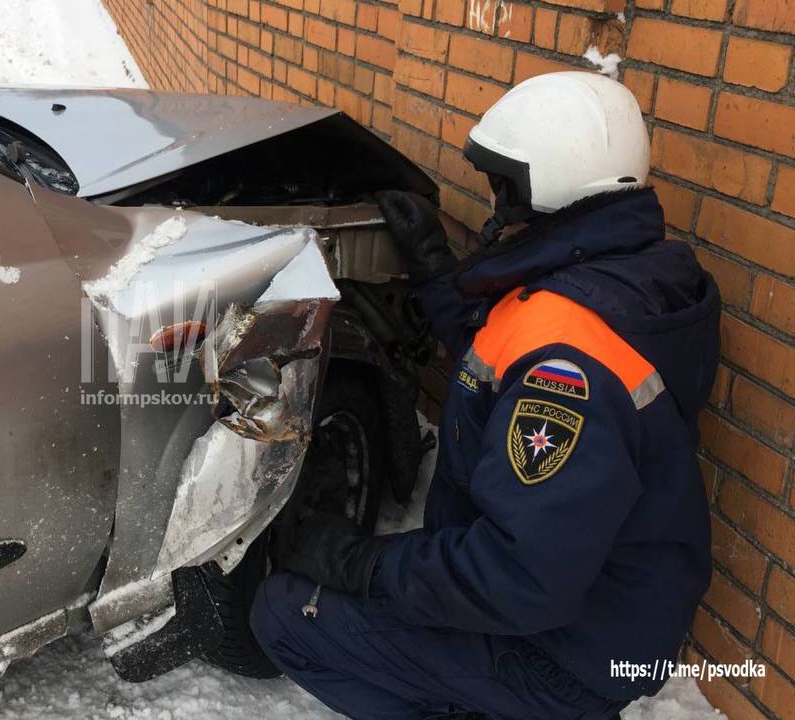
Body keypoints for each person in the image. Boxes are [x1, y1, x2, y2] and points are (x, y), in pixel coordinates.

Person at [250, 71, 720, 720]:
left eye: (504, 184)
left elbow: (519, 579)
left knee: (283, 615)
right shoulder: (615, 278)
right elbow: (504, 343)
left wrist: (361, 562)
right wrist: (436, 270)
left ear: (547, 184)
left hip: (563, 652)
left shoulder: (569, 377)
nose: (496, 199)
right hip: (609, 604)